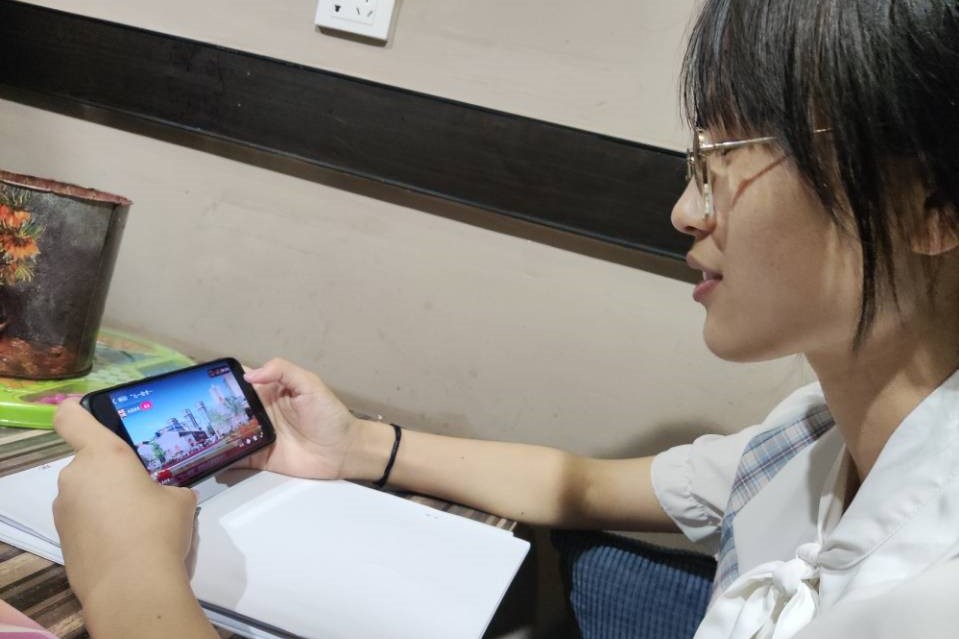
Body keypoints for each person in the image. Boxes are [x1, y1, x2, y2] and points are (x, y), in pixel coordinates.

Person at [46, 0, 959, 637]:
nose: (686, 211)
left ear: (932, 206)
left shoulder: (928, 593)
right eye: (696, 163)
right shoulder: (813, 434)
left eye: (727, 157)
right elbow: (583, 485)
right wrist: (353, 444)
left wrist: (128, 572)